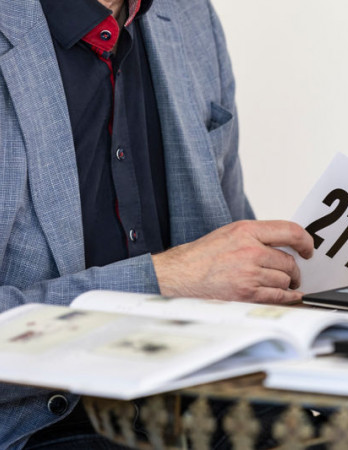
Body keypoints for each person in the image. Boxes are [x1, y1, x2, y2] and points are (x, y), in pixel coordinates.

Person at [0, 0, 314, 448]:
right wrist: (163, 282)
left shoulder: (189, 16)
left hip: (206, 392)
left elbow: (229, 243)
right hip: (41, 422)